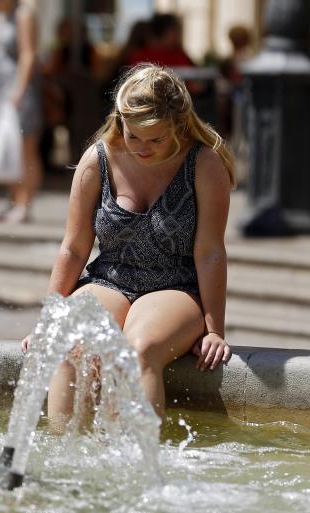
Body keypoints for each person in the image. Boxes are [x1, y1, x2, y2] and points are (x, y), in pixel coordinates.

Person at [21, 64, 235, 428]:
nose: (142, 148)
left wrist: (215, 329)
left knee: (139, 350)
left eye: (156, 139)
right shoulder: (97, 159)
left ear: (177, 125)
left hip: (175, 286)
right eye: (134, 136)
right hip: (110, 281)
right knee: (69, 342)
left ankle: (136, 469)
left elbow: (211, 252)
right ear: (120, 121)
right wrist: (50, 318)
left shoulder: (204, 163)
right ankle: (64, 463)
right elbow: (73, 248)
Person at [0, 0, 43, 224]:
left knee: (26, 148)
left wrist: (19, 90)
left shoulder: (24, 13)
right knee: (8, 148)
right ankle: (13, 201)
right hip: (1, 90)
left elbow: (28, 54)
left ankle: (25, 205)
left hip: (20, 90)